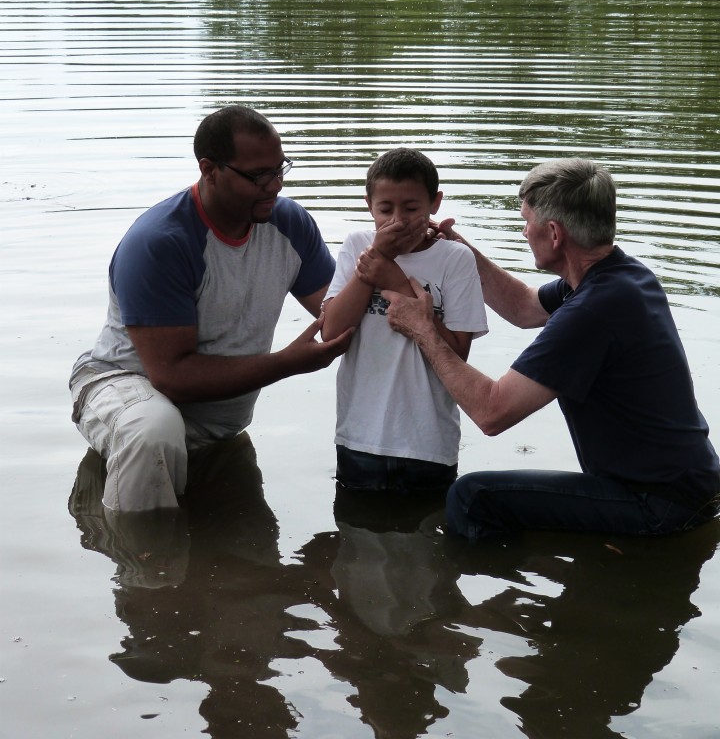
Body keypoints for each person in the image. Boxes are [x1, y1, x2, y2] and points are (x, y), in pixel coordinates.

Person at [380, 157, 720, 538]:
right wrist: (459, 249)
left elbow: (491, 412)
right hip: (694, 487)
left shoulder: (591, 312)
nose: (524, 232)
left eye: (527, 222)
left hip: (658, 504)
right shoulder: (623, 277)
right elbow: (524, 307)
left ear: (555, 234)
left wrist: (424, 330)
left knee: (473, 498)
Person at [69, 104, 353, 513]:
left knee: (236, 562)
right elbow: (172, 377)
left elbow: (339, 314)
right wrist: (288, 362)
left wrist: (389, 262)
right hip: (123, 387)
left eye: (280, 169)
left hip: (217, 427)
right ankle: (144, 568)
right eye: (258, 175)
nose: (274, 186)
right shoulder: (161, 243)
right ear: (210, 169)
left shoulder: (289, 224)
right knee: (153, 431)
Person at [321, 148, 488, 494]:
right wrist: (376, 261)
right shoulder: (357, 246)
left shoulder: (455, 259)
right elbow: (332, 332)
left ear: (434, 203)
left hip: (428, 444)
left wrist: (395, 280)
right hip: (360, 438)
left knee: (426, 537)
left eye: (411, 208)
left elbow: (458, 354)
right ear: (369, 204)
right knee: (356, 538)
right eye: (385, 209)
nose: (397, 220)